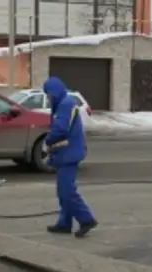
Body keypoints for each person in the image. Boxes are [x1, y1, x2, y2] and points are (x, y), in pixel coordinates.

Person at [42, 76, 98, 238]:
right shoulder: (63, 103)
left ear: (54, 92)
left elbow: (60, 129)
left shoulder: (66, 105)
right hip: (65, 153)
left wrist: (47, 142)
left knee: (67, 191)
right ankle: (64, 224)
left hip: (69, 154)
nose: (48, 97)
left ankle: (86, 219)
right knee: (63, 191)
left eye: (48, 94)